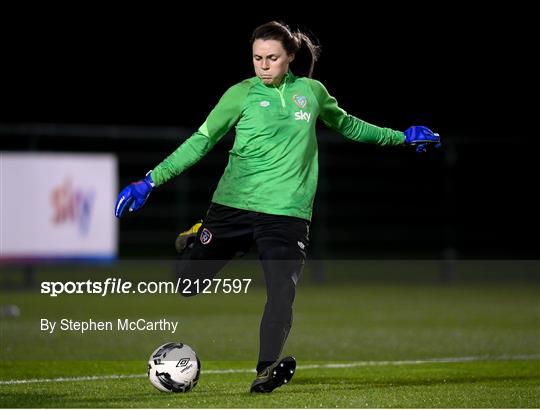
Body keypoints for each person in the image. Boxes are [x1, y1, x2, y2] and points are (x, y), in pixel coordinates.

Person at [115, 21, 441, 393]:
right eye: (257, 58)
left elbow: (349, 125)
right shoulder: (240, 94)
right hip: (232, 208)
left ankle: (266, 369)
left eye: (272, 58)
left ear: (290, 58)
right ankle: (196, 238)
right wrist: (150, 180)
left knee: (282, 291)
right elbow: (200, 142)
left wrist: (400, 138)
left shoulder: (312, 92)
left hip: (287, 213)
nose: (263, 65)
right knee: (187, 285)